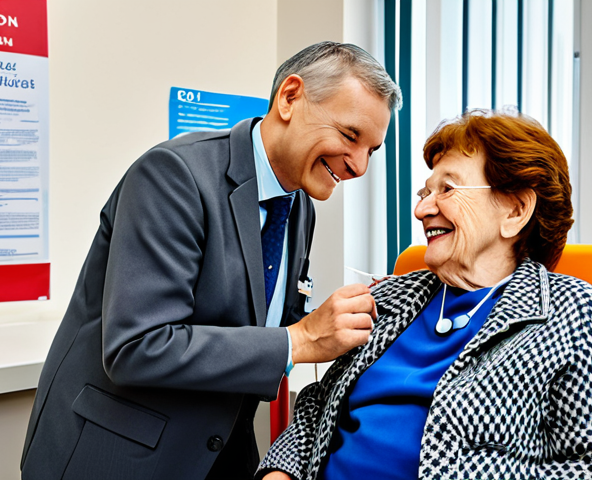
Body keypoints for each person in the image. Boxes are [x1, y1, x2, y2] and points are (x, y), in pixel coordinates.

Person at [20, 42, 401, 480]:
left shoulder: (298, 206)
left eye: (372, 151)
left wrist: (345, 324)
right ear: (290, 97)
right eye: (350, 136)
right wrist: (298, 340)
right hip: (117, 455)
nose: (358, 166)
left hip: (213, 450)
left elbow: (261, 322)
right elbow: (136, 347)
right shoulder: (174, 175)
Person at [258, 110, 592, 480]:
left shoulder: (580, 315)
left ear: (515, 210)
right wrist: (281, 471)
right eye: (424, 192)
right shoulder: (392, 297)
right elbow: (317, 405)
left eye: (447, 189)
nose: (422, 209)